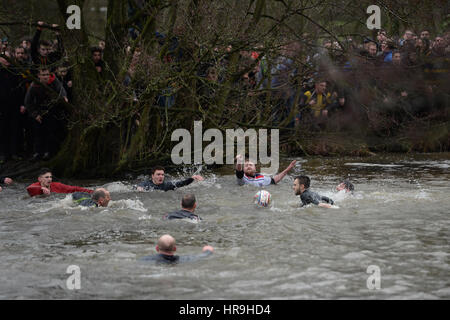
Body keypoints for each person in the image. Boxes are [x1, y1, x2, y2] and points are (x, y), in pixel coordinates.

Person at [24, 66, 68, 160]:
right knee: (38, 133)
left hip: (52, 110)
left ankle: (49, 152)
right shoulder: (34, 85)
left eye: (47, 74)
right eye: (43, 75)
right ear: (39, 75)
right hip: (39, 111)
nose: (45, 77)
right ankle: (37, 152)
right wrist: (35, 114)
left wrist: (64, 97)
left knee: (51, 132)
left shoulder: (54, 81)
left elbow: (61, 89)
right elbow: (28, 102)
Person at [140, 234, 214, 264]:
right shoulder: (184, 259)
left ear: (156, 248)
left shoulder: (146, 259)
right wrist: (208, 250)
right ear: (175, 248)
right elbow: (203, 256)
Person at [26, 168, 93, 197]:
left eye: (50, 177)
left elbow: (74, 188)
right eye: (47, 177)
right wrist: (42, 188)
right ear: (40, 179)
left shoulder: (57, 185)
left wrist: (92, 192)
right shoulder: (35, 186)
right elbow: (29, 188)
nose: (50, 179)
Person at [136, 166, 204, 191]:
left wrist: (192, 178)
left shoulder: (167, 185)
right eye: (158, 174)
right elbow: (140, 185)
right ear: (152, 176)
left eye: (162, 175)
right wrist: (139, 188)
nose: (161, 176)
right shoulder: (147, 184)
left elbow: (182, 183)